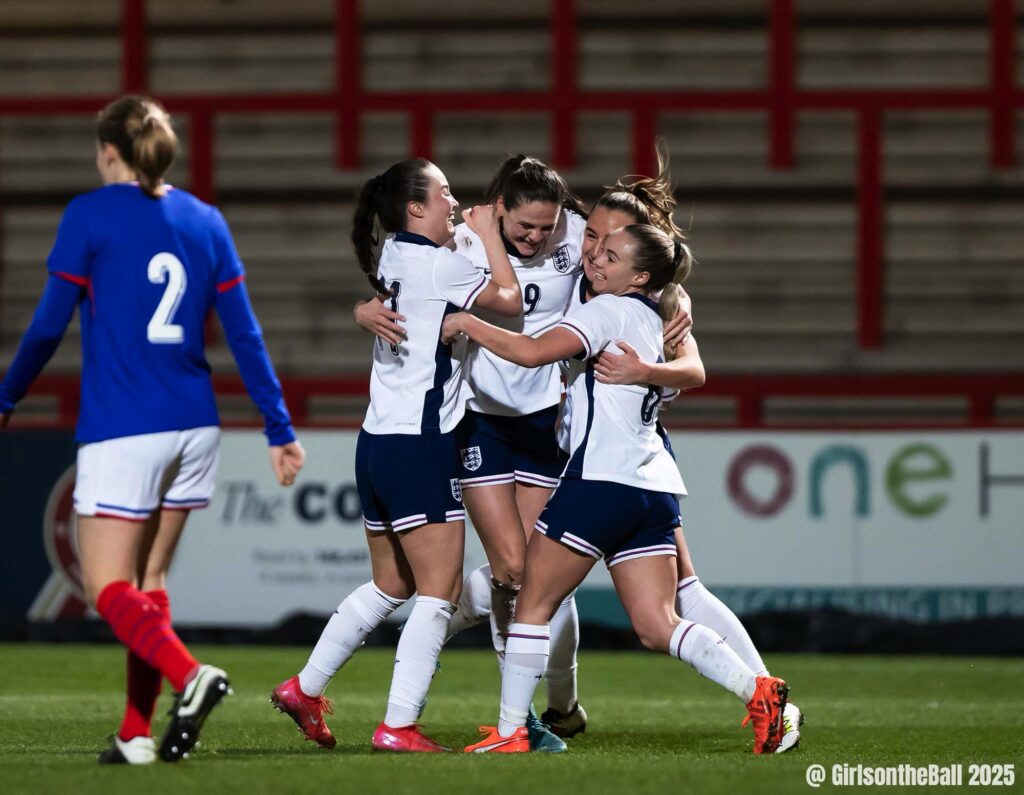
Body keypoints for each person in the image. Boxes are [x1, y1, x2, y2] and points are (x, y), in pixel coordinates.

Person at [0, 95, 305, 765]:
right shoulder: (205, 220)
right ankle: (137, 732)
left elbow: (49, 324)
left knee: (104, 584)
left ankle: (189, 674)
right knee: (150, 576)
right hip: (195, 424)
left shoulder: (89, 214)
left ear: (108, 150)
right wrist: (277, 425)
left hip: (123, 425)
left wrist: (7, 394)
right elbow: (246, 335)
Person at [441, 223, 790, 755]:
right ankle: (758, 689)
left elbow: (532, 353)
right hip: (650, 487)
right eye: (597, 249)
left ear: (640, 276)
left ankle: (513, 732)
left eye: (611, 256)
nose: (596, 261)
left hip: (600, 481)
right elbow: (688, 367)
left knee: (531, 602)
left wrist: (465, 321)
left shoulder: (607, 310)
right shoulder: (658, 319)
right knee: (657, 624)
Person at [270, 159, 522, 753]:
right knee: (439, 590)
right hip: (420, 442)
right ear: (415, 208)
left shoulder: (395, 255)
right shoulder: (439, 263)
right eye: (444, 193)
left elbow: (420, 284)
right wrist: (489, 235)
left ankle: (305, 688)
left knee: (390, 583)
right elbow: (509, 301)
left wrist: (366, 309)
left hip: (376, 440)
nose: (454, 200)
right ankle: (398, 726)